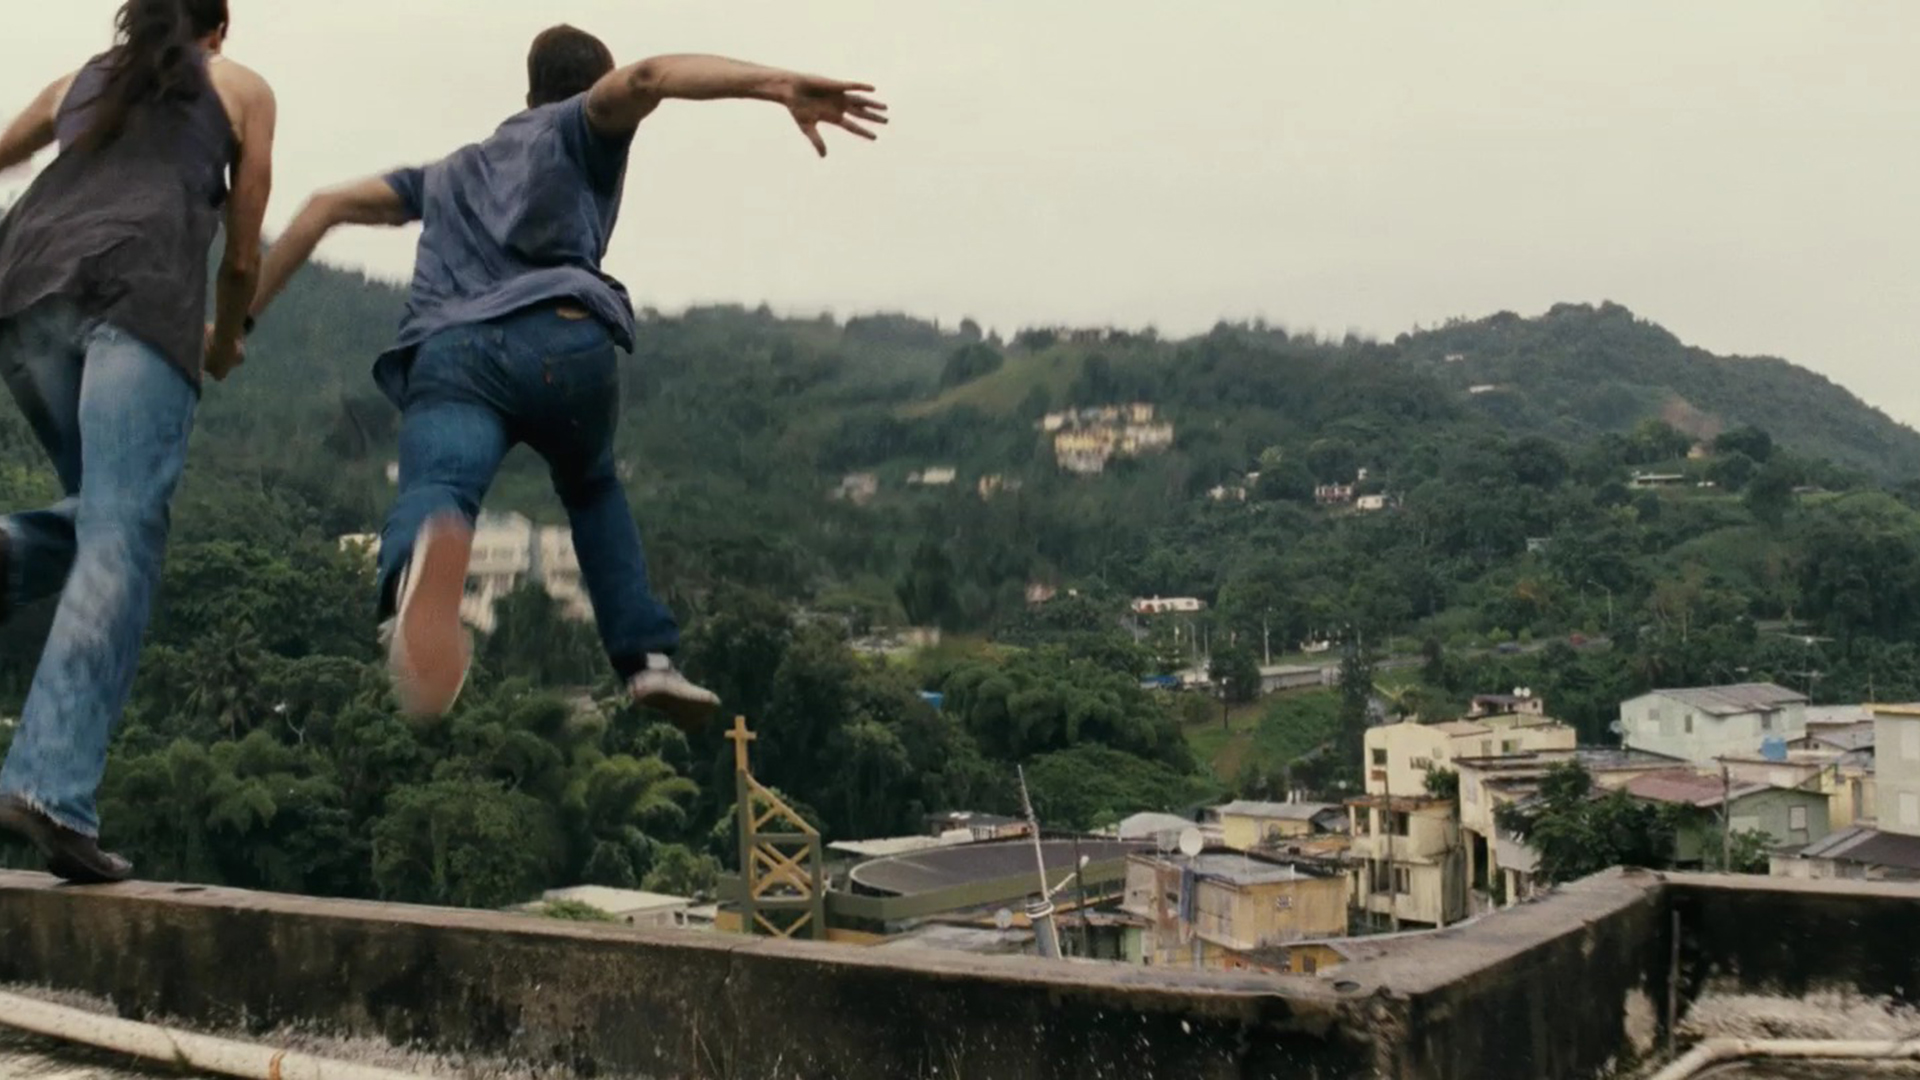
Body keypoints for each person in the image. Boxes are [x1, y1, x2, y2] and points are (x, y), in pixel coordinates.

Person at [248, 28, 887, 726]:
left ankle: (412, 572)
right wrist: (777, 83)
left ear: (528, 93)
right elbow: (649, 78)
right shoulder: (579, 125)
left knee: (440, 490)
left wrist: (237, 323)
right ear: (589, 86)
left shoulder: (444, 176)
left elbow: (322, 207)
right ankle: (646, 661)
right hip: (564, 340)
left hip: (453, 353)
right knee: (591, 487)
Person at [0, 0, 277, 882]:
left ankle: (9, 550)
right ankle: (48, 787)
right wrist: (224, 341)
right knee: (122, 537)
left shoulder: (77, 83)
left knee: (99, 519)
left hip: (24, 293)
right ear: (218, 29)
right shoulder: (240, 86)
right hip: (138, 292)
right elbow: (242, 256)